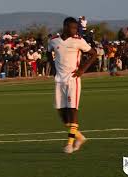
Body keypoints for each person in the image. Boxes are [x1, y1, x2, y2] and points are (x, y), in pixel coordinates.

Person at [47, 17, 97, 154]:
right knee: (63, 115)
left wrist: (82, 70)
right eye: (72, 28)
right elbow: (48, 52)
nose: (75, 30)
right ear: (65, 27)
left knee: (72, 111)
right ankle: (80, 137)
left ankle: (70, 144)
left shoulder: (78, 41)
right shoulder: (54, 40)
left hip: (72, 80)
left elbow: (94, 54)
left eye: (76, 28)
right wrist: (52, 67)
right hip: (59, 80)